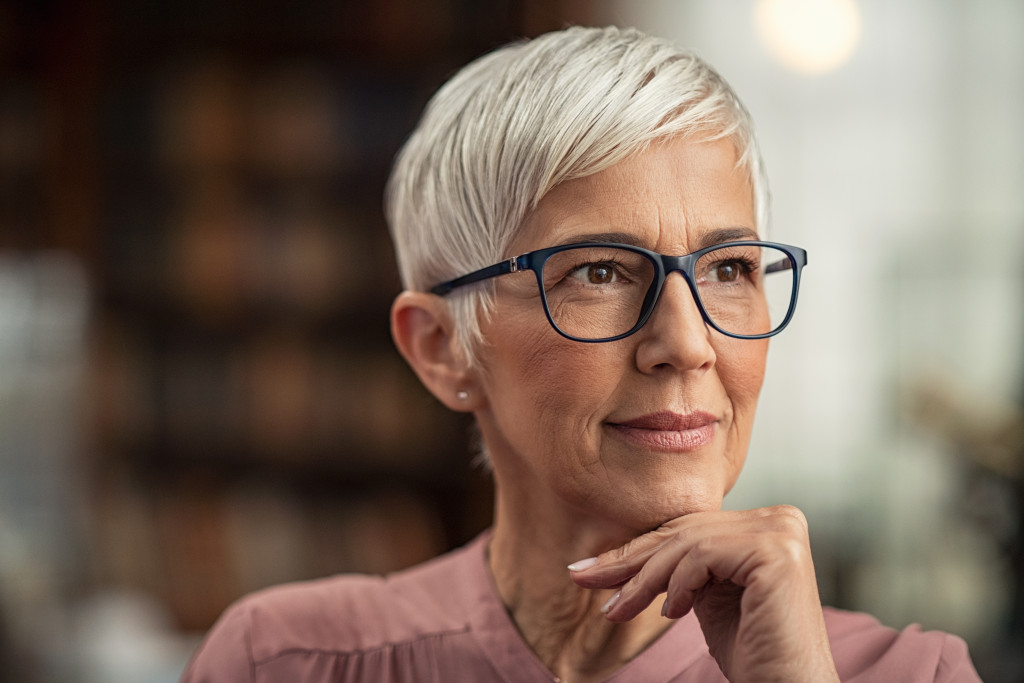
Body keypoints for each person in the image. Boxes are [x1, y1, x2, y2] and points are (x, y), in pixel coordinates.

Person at [181, 26, 981, 682]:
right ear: (441, 349)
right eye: (599, 271)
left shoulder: (915, 672)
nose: (687, 343)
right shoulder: (281, 661)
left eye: (730, 269)